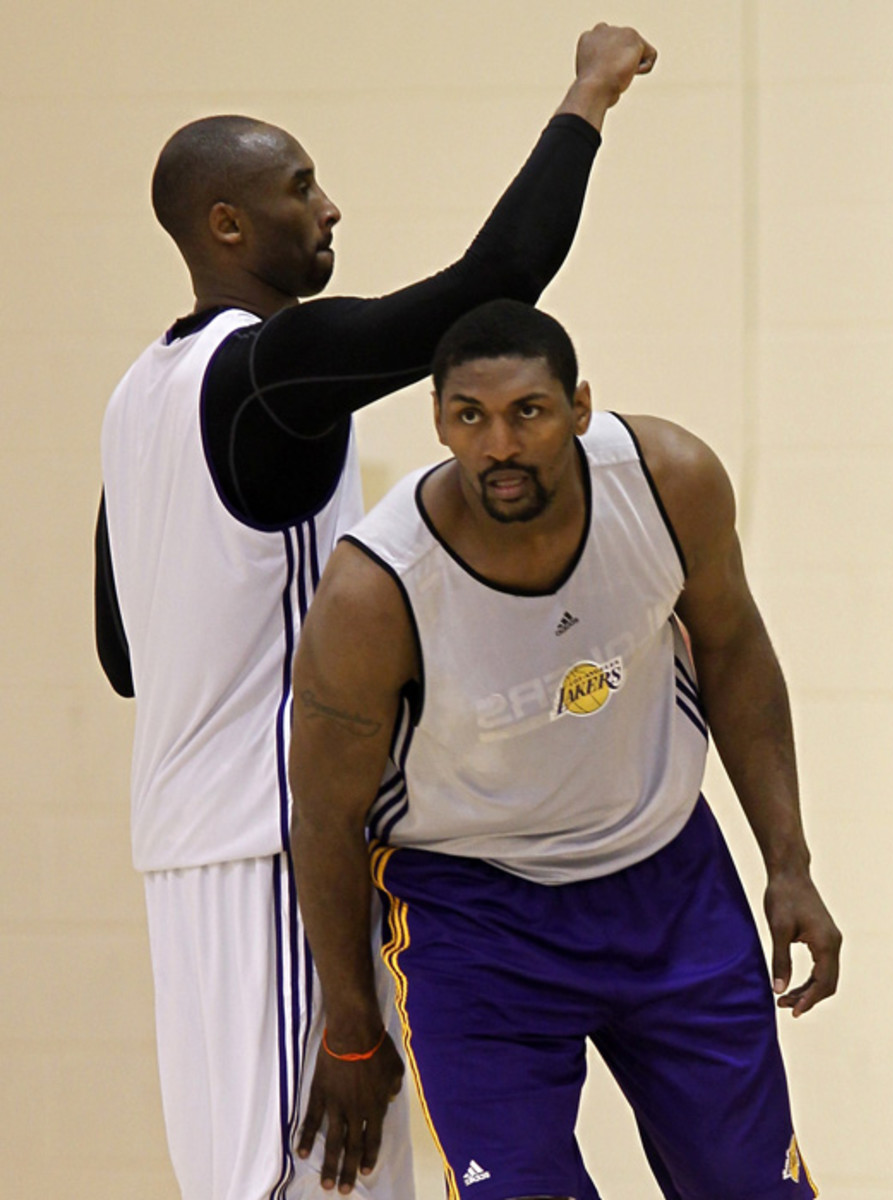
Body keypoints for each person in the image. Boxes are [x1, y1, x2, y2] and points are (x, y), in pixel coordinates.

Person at [95, 25, 657, 1200]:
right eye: (301, 188)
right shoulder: (267, 370)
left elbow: (121, 653)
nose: (331, 209)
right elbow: (494, 284)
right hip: (278, 847)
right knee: (311, 1186)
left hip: (186, 861)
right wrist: (588, 95)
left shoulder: (136, 399)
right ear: (227, 227)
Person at [288, 298, 842, 1200]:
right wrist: (350, 1024)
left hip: (666, 881)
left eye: (527, 413)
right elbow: (324, 813)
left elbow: (737, 654)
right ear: (437, 420)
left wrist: (789, 862)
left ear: (578, 408)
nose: (498, 444)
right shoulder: (375, 590)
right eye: (470, 416)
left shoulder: (668, 482)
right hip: (476, 916)